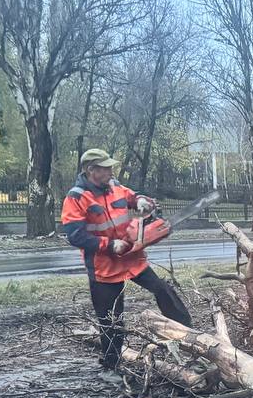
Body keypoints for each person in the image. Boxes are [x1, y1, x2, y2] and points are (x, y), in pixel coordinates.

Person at [61, 149, 192, 379]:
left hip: (132, 258)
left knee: (162, 289)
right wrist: (109, 245)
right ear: (91, 170)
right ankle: (110, 366)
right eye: (106, 168)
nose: (111, 171)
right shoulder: (77, 197)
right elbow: (75, 235)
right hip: (104, 266)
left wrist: (143, 201)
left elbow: (134, 197)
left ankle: (188, 333)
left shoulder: (115, 187)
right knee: (112, 317)